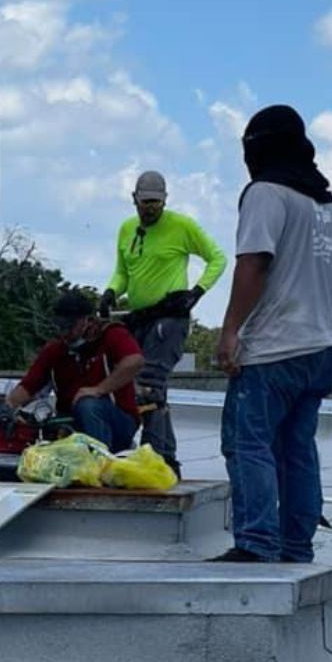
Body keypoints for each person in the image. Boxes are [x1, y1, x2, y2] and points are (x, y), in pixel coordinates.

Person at [212, 104, 332, 563]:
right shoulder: (325, 202)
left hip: (274, 347)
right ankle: (295, 546)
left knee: (248, 442)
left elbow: (254, 263)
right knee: (297, 449)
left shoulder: (266, 193)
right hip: (321, 345)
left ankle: (256, 544)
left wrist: (229, 331)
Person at [99, 170, 227, 477]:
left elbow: (218, 258)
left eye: (156, 203)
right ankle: (165, 457)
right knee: (135, 384)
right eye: (145, 203)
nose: (150, 208)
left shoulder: (181, 226)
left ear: (165, 201)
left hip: (169, 317)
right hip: (139, 318)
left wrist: (197, 291)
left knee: (149, 384)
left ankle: (154, 454)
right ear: (135, 200)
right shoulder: (128, 229)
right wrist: (110, 292)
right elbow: (123, 272)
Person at [0, 290, 145, 452]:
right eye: (60, 327)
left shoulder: (111, 335)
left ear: (86, 320)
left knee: (87, 405)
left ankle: (99, 461)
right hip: (72, 423)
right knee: (53, 424)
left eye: (69, 327)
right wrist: (7, 406)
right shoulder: (54, 351)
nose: (64, 333)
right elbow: (29, 386)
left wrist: (99, 390)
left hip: (118, 422)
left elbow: (134, 361)